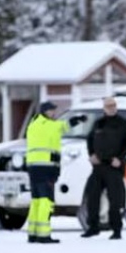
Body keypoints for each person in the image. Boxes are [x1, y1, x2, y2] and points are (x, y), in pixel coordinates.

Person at [25, 101, 87, 243]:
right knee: (46, 202)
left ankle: (32, 233)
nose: (54, 113)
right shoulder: (49, 126)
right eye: (51, 111)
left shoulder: (32, 125)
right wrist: (77, 120)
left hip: (33, 168)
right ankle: (44, 235)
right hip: (46, 168)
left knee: (36, 201)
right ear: (45, 112)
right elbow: (63, 126)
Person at [81, 97, 126, 240]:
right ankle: (93, 227)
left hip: (114, 166)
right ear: (104, 108)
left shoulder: (123, 124)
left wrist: (121, 158)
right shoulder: (99, 123)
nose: (111, 108)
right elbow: (89, 140)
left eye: (113, 105)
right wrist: (91, 155)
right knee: (92, 197)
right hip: (98, 166)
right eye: (108, 106)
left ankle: (116, 229)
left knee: (115, 200)